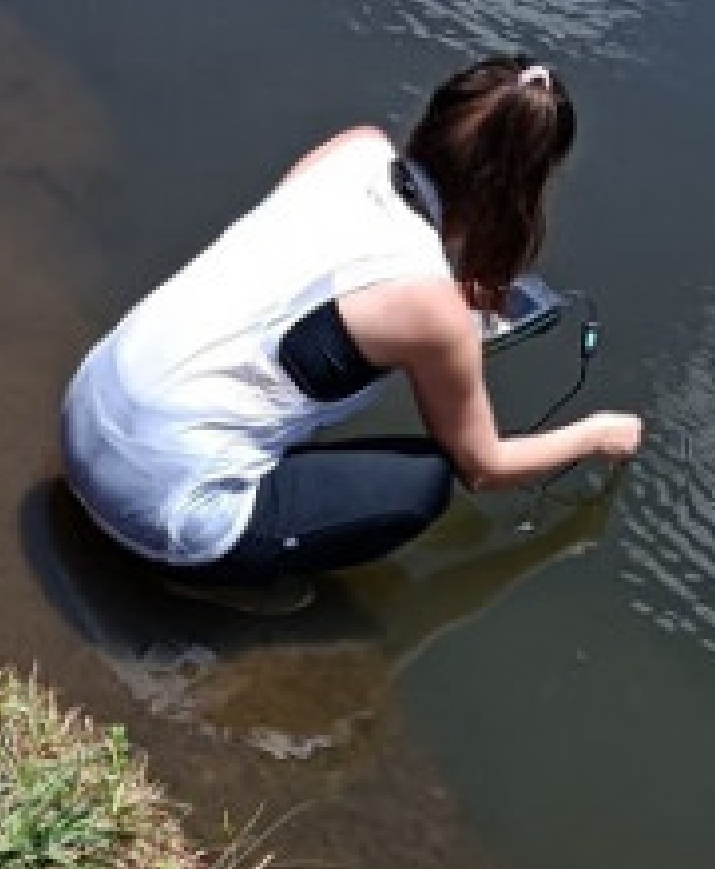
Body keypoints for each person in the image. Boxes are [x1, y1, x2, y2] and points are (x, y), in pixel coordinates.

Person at [60, 54, 642, 609]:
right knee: (427, 481)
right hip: (155, 509)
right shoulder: (436, 314)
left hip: (83, 415)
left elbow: (316, 270)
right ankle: (210, 581)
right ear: (523, 193)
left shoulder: (353, 150)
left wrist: (445, 294)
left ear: (435, 116)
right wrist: (597, 436)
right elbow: (484, 467)